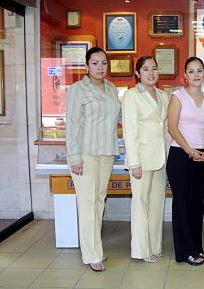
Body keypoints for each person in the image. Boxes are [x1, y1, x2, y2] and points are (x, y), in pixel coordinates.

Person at [66, 47, 121, 271]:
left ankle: (95, 248)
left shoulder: (111, 88)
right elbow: (72, 124)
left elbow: (116, 119)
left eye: (104, 63)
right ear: (86, 65)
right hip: (85, 155)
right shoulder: (77, 89)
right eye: (95, 63)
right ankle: (91, 255)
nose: (100, 67)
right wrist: (74, 158)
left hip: (106, 153)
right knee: (87, 204)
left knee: (99, 202)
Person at [166, 56, 204, 266]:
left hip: (202, 157)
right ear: (185, 75)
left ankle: (197, 247)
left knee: (197, 203)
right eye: (192, 71)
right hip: (180, 155)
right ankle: (184, 251)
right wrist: (190, 150)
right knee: (182, 204)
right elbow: (172, 127)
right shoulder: (177, 96)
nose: (196, 75)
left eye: (200, 70)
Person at [121, 56, 169, 263]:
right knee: (140, 204)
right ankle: (141, 250)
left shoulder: (163, 95)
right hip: (141, 159)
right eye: (146, 69)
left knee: (157, 204)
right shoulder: (131, 96)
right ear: (138, 74)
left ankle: (154, 246)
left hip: (161, 158)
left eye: (154, 68)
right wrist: (134, 163)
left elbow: (166, 128)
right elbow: (129, 131)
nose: (151, 73)